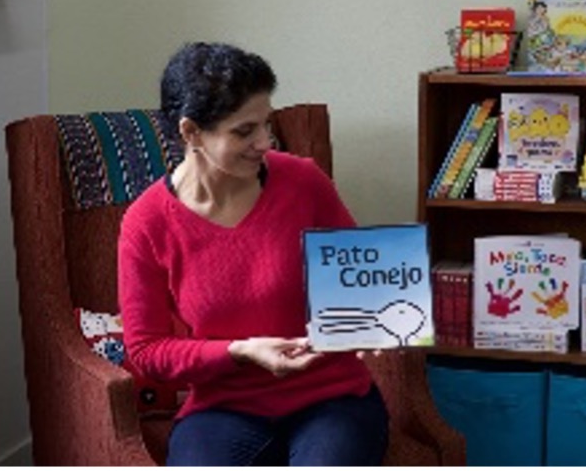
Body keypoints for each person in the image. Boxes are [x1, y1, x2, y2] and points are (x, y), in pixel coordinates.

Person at [118, 42, 389, 466]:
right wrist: (237, 352)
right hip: (223, 407)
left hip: (332, 398)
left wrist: (385, 320)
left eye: (266, 123)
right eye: (244, 131)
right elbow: (147, 352)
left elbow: (360, 282)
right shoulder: (147, 222)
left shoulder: (303, 181)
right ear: (191, 132)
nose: (264, 142)